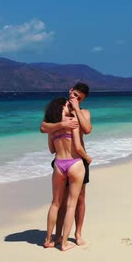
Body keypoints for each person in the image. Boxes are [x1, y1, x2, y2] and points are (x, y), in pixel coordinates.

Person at [40, 82, 92, 246]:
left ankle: (77, 234)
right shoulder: (58, 111)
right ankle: (59, 236)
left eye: (79, 98)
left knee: (80, 200)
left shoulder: (83, 112)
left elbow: (88, 129)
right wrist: (62, 124)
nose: (75, 98)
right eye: (75, 94)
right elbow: (43, 127)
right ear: (70, 91)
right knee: (62, 201)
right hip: (69, 160)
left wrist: (76, 109)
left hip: (77, 159)